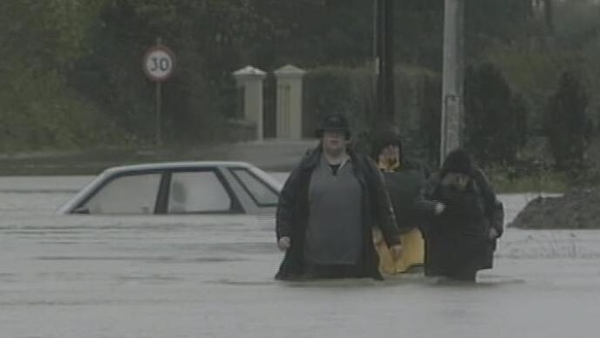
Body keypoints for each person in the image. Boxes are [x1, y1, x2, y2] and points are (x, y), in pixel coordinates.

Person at [275, 113, 402, 280]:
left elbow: (382, 204)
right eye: (329, 133)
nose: (334, 137)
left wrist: (393, 241)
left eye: (339, 134)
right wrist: (284, 234)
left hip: (355, 262)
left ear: (346, 139)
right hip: (311, 263)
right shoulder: (306, 168)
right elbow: (286, 202)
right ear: (322, 137)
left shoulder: (364, 167)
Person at [421, 148, 504, 282]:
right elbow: (419, 206)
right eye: (456, 177)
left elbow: (495, 206)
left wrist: (495, 228)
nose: (460, 181)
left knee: (466, 285)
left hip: (473, 246)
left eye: (464, 177)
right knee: (438, 285)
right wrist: (434, 206)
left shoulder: (478, 181)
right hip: (441, 248)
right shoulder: (435, 184)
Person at [370, 130, 442, 275]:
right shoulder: (369, 172)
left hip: (413, 237)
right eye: (386, 147)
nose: (391, 151)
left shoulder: (417, 170)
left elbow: (431, 198)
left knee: (417, 273)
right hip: (380, 239)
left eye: (395, 147)